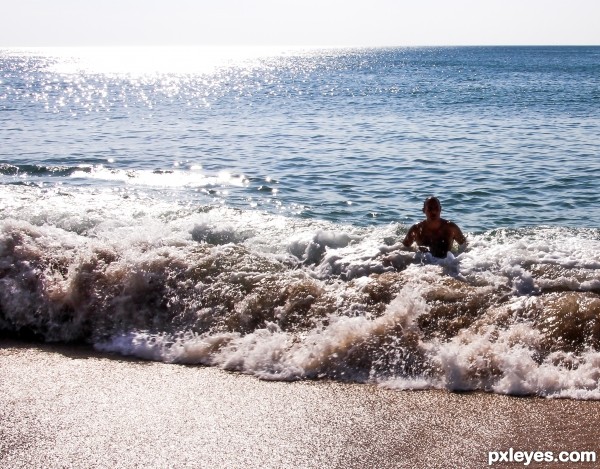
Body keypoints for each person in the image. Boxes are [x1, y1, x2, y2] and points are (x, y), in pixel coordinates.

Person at [401, 196, 466, 258]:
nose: (433, 212)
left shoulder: (451, 228)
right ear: (424, 210)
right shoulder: (416, 229)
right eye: (430, 209)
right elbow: (402, 250)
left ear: (440, 209)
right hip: (422, 265)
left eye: (436, 208)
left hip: (446, 265)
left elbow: (465, 247)